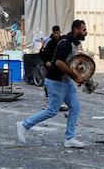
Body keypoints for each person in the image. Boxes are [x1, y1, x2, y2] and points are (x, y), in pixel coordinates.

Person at [16, 20, 88, 148]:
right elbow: (59, 63)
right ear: (76, 30)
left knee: (75, 107)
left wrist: (81, 75)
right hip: (56, 82)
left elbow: (70, 63)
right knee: (52, 111)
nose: (86, 32)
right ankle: (24, 125)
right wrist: (75, 76)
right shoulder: (66, 44)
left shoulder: (72, 43)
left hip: (65, 82)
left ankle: (70, 138)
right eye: (83, 30)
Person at [38, 25, 61, 98]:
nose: (56, 35)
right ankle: (48, 91)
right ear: (53, 33)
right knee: (50, 78)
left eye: (58, 33)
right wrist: (46, 61)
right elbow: (41, 53)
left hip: (57, 62)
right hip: (49, 63)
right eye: (55, 33)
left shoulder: (61, 40)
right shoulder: (48, 41)